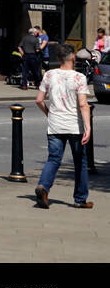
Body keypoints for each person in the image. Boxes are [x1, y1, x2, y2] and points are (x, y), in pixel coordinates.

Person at [34, 43, 93, 209]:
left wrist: (48, 113)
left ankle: (43, 186)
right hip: (74, 125)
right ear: (73, 57)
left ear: (58, 58)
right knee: (80, 162)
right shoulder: (79, 77)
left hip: (55, 124)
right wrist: (87, 127)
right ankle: (80, 199)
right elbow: (83, 104)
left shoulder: (49, 75)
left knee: (53, 158)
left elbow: (39, 100)